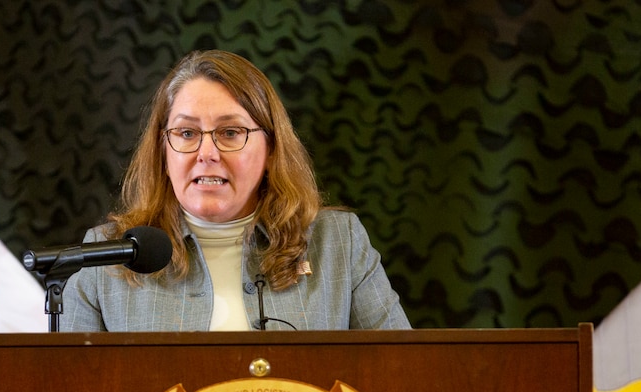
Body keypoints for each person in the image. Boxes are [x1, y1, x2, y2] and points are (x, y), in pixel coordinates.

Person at [62, 50, 411, 331]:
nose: (207, 153)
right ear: (162, 150)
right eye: (187, 133)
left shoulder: (338, 244)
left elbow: (401, 375)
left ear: (271, 150)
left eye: (230, 133)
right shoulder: (105, 257)